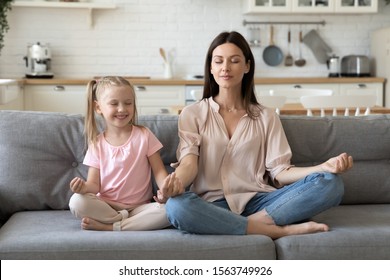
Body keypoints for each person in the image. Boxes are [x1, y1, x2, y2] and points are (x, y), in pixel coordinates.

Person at [161, 31, 353, 239]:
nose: (225, 68)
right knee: (176, 206)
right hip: (212, 205)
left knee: (331, 183)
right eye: (218, 61)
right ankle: (277, 230)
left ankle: (247, 224)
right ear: (211, 67)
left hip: (262, 203)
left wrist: (323, 167)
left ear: (247, 66)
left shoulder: (266, 116)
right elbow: (189, 164)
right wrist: (174, 184)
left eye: (234, 61)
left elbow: (280, 172)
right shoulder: (193, 114)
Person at [69, 76, 180, 231]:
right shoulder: (97, 144)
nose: (122, 109)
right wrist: (83, 188)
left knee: (170, 209)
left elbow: (159, 171)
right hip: (107, 206)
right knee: (76, 202)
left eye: (128, 103)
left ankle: (111, 227)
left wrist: (165, 190)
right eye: (114, 104)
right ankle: (123, 222)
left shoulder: (144, 135)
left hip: (139, 208)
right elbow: (94, 185)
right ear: (98, 107)